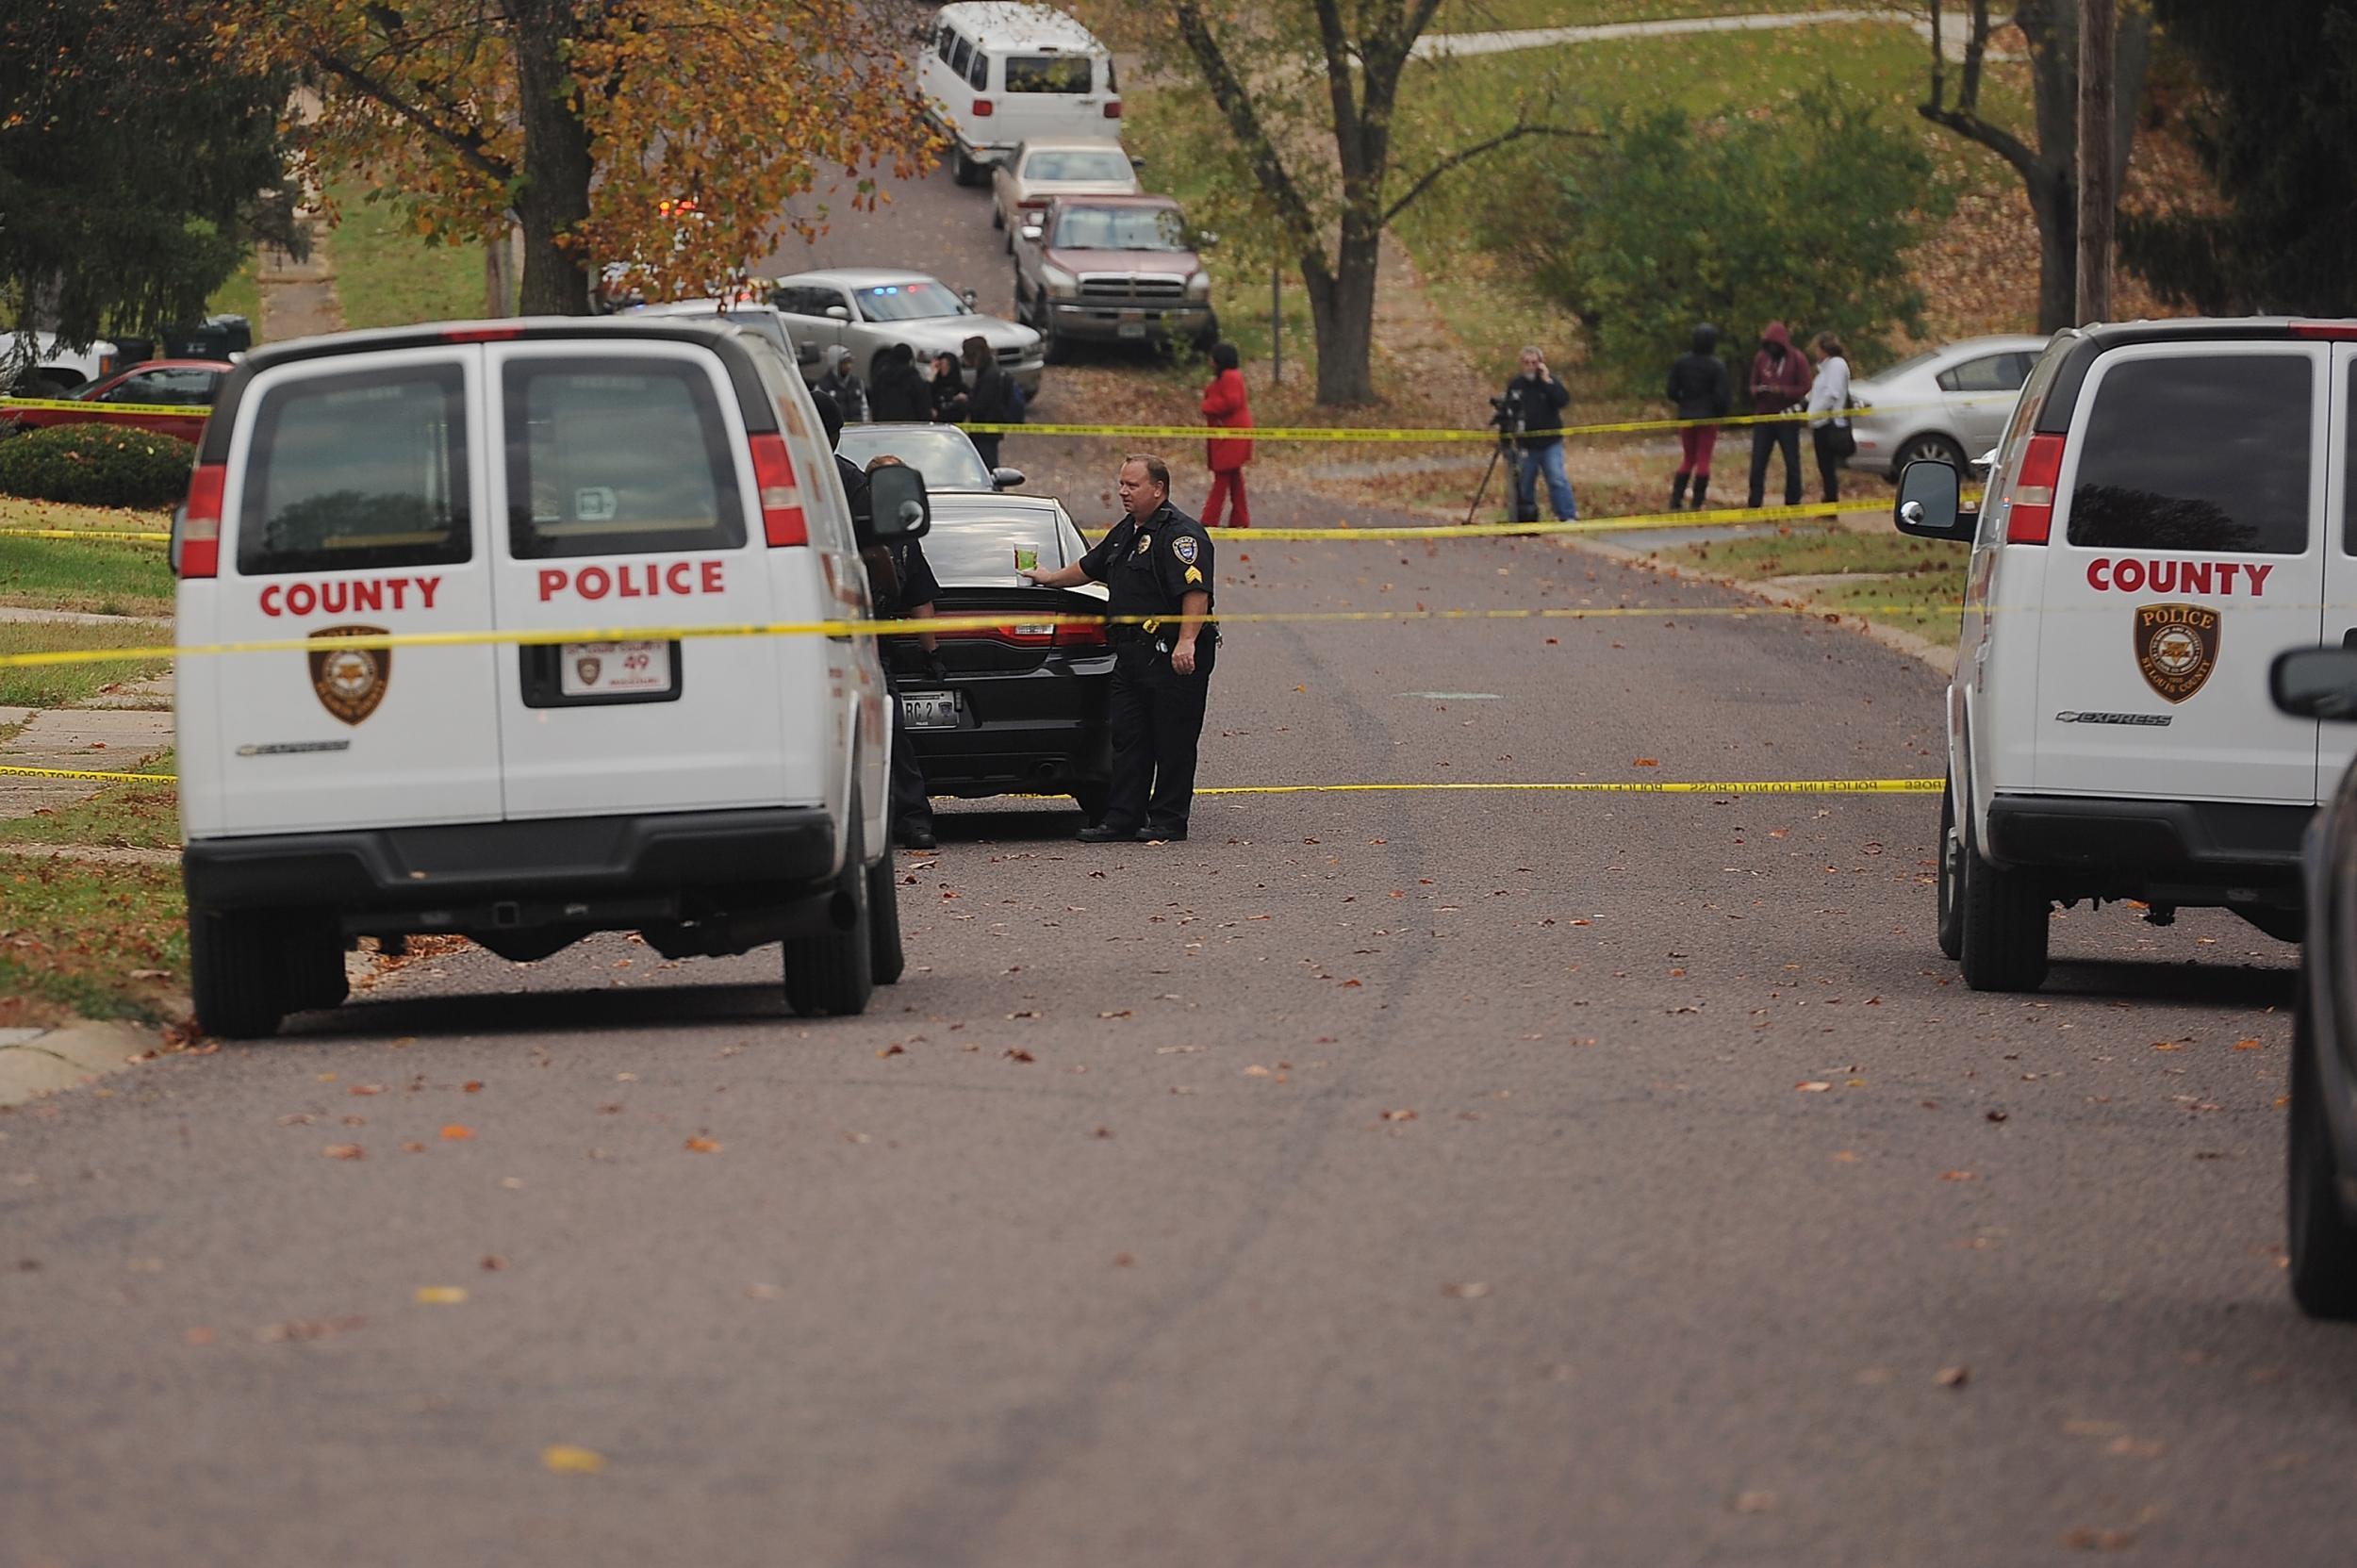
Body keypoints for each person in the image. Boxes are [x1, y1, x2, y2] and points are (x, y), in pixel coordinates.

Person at [1018, 454, 1214, 843]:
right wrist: (1049, 578)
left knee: (1172, 741)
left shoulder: (1181, 536)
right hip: (1131, 653)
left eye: (1132, 485)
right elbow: (1091, 566)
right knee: (1128, 739)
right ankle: (1123, 818)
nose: (1123, 491)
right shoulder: (1127, 531)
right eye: (1121, 484)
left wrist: (1187, 641)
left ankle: (1168, 820)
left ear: (1158, 489)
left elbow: (1195, 592)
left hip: (1170, 652)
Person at [1499, 344, 1574, 522]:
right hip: (1526, 445)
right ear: (1521, 364)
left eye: (1534, 362)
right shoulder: (1516, 385)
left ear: (1541, 363)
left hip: (1550, 443)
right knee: (1525, 484)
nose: (1530, 366)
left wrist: (1548, 381)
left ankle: (1567, 515)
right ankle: (1529, 518)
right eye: (1526, 362)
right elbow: (1508, 409)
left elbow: (1563, 400)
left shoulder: (1549, 382)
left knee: (1557, 478)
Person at [1745, 321, 1815, 509]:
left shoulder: (1797, 359)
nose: (1772, 349)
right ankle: (1754, 501)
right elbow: (1752, 384)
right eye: (1769, 345)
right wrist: (1758, 391)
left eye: (1776, 345)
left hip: (1787, 417)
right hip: (1764, 417)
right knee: (1758, 461)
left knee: (1792, 461)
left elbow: (1806, 388)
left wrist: (1782, 391)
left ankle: (1793, 501)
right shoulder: (1761, 358)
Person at [1664, 322, 1731, 510]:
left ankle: (1676, 500)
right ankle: (1697, 502)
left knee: (1688, 458)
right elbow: (1722, 396)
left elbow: (1671, 390)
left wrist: (1684, 402)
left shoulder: (1682, 362)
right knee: (1703, 459)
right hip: (1708, 418)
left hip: (1687, 415)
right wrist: (1719, 412)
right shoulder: (1716, 366)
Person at [1199, 340, 1254, 528]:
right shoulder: (1226, 377)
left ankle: (1209, 519)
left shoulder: (1230, 377)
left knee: (1222, 478)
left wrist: (1207, 406)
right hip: (1227, 434)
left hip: (1231, 435)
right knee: (1234, 479)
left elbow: (1231, 402)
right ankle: (1240, 518)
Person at [1806, 330, 1853, 504]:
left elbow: (1832, 394)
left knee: (1828, 467)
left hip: (1829, 424)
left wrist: (1813, 414)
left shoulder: (1836, 366)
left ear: (1823, 349)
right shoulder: (1825, 368)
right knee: (1824, 467)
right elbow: (1815, 393)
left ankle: (1830, 504)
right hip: (1820, 423)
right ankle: (1828, 500)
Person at [958, 335, 1014, 469]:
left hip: (986, 431)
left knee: (987, 466)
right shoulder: (988, 371)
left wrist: (965, 402)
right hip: (987, 429)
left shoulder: (989, 376)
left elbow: (980, 406)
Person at [867, 342, 930, 423]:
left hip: (884, 426)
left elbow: (875, 404)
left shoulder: (881, 378)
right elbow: (923, 408)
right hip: (908, 428)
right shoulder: (914, 379)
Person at [815, 344, 868, 423]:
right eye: (845, 363)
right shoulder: (823, 387)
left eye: (850, 362)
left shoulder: (857, 382)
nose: (849, 366)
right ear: (835, 364)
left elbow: (864, 407)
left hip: (857, 429)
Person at [928, 350, 967, 426]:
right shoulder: (934, 386)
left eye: (947, 364)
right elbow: (925, 397)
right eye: (941, 364)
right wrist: (932, 374)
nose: (944, 367)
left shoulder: (960, 387)